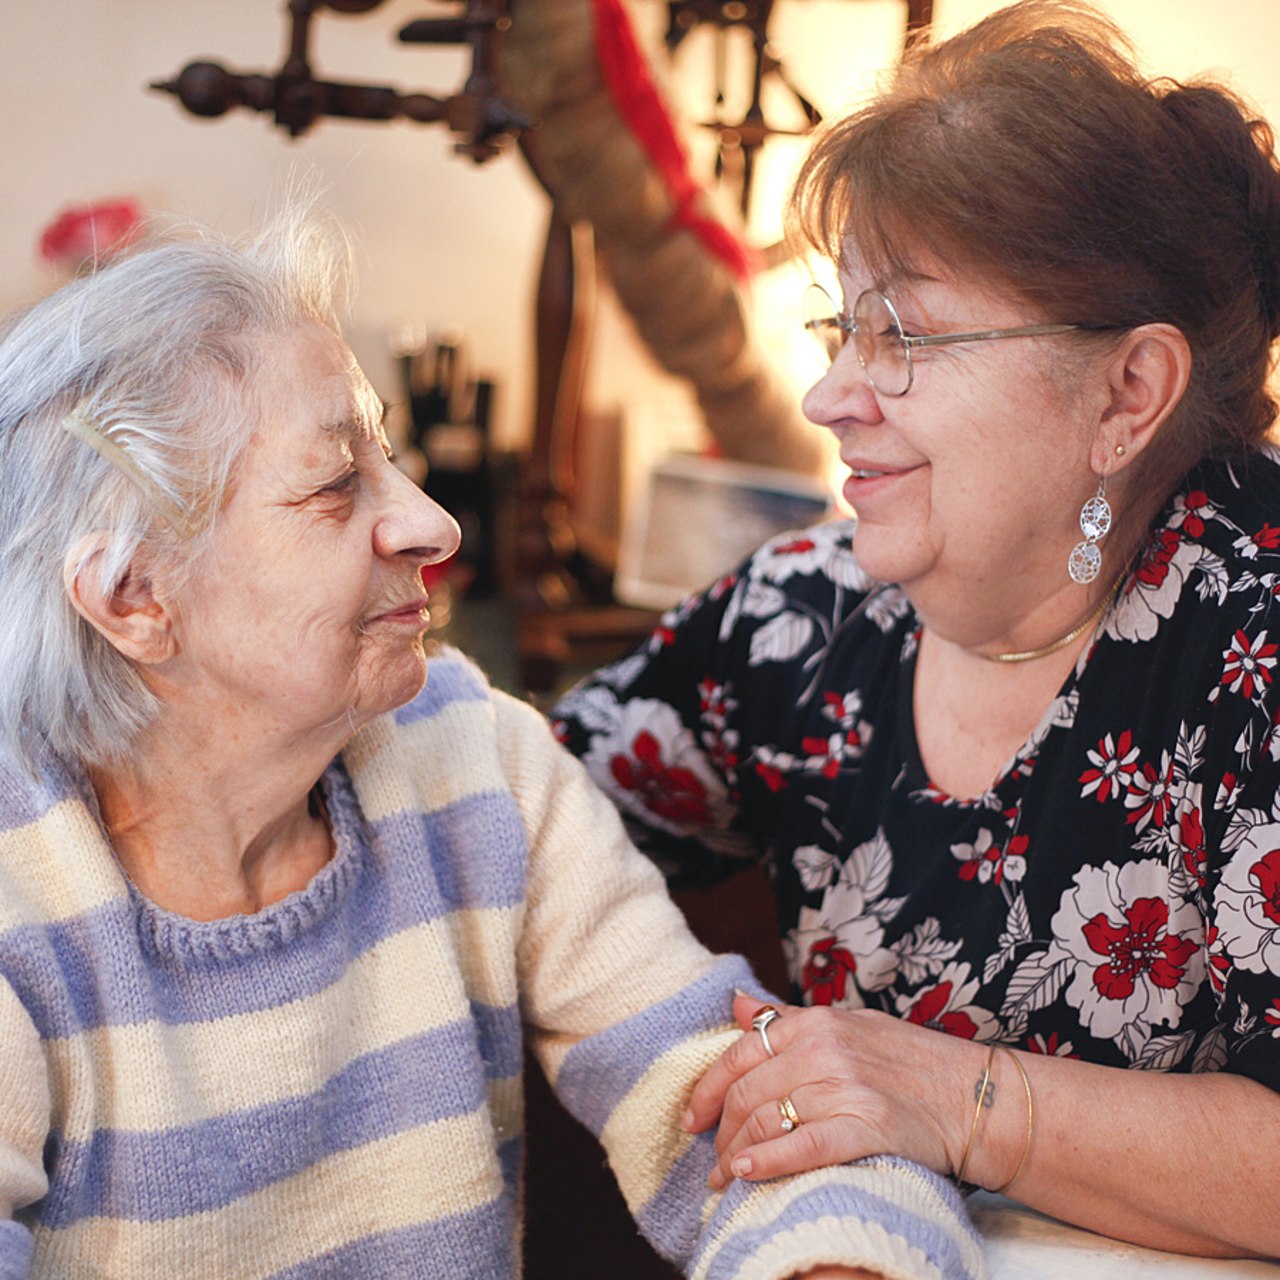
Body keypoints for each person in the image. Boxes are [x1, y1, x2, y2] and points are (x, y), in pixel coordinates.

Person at [0, 211, 983, 1280]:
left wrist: (836, 1256)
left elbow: (736, 1094)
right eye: (335, 486)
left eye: (390, 458)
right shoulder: (25, 893)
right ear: (133, 596)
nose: (432, 523)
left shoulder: (467, 752)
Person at [552, 0, 1280, 1259]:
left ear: (1127, 392)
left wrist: (955, 1099)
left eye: (904, 335)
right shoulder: (799, 613)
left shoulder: (1251, 647)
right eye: (843, 328)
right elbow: (518, 832)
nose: (831, 396)